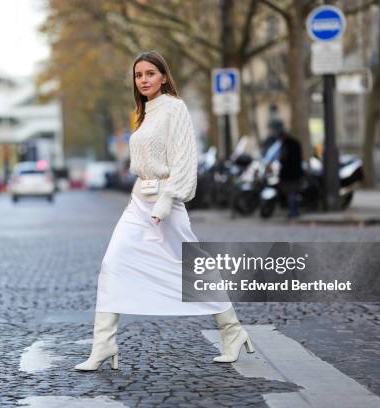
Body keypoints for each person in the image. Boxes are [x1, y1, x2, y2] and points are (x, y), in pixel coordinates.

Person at [75, 51, 254, 371]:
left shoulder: (175, 108)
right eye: (138, 75)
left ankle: (233, 331)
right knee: (112, 262)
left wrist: (165, 202)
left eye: (150, 73)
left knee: (193, 267)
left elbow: (184, 160)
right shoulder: (143, 113)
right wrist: (139, 201)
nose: (143, 79)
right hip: (138, 202)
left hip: (166, 202)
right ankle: (104, 345)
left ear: (164, 77)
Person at [278, 130, 304, 219]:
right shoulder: (295, 143)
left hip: (288, 174)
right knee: (294, 193)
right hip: (296, 172)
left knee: (291, 193)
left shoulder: (286, 145)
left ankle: (293, 211)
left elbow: (282, 158)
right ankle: (295, 211)